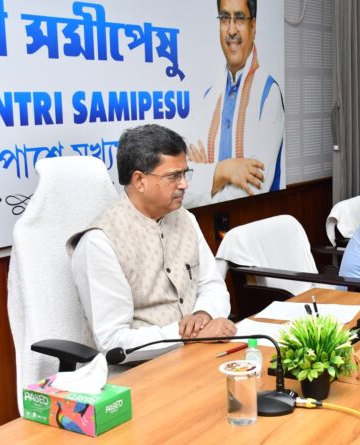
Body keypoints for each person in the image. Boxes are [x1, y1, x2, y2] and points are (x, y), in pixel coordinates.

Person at [68, 124, 236, 363]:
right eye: (173, 176)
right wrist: (187, 335)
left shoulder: (186, 219)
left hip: (196, 354)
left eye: (185, 173)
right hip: (137, 370)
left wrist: (203, 314)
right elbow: (113, 342)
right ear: (139, 180)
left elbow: (212, 285)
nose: (184, 184)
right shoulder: (100, 242)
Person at [185, 0, 284, 207]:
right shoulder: (207, 99)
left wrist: (208, 177)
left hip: (257, 221)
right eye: (224, 19)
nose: (231, 30)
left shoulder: (268, 95)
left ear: (253, 26)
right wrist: (224, 171)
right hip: (206, 224)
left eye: (239, 18)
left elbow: (254, 189)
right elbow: (186, 184)